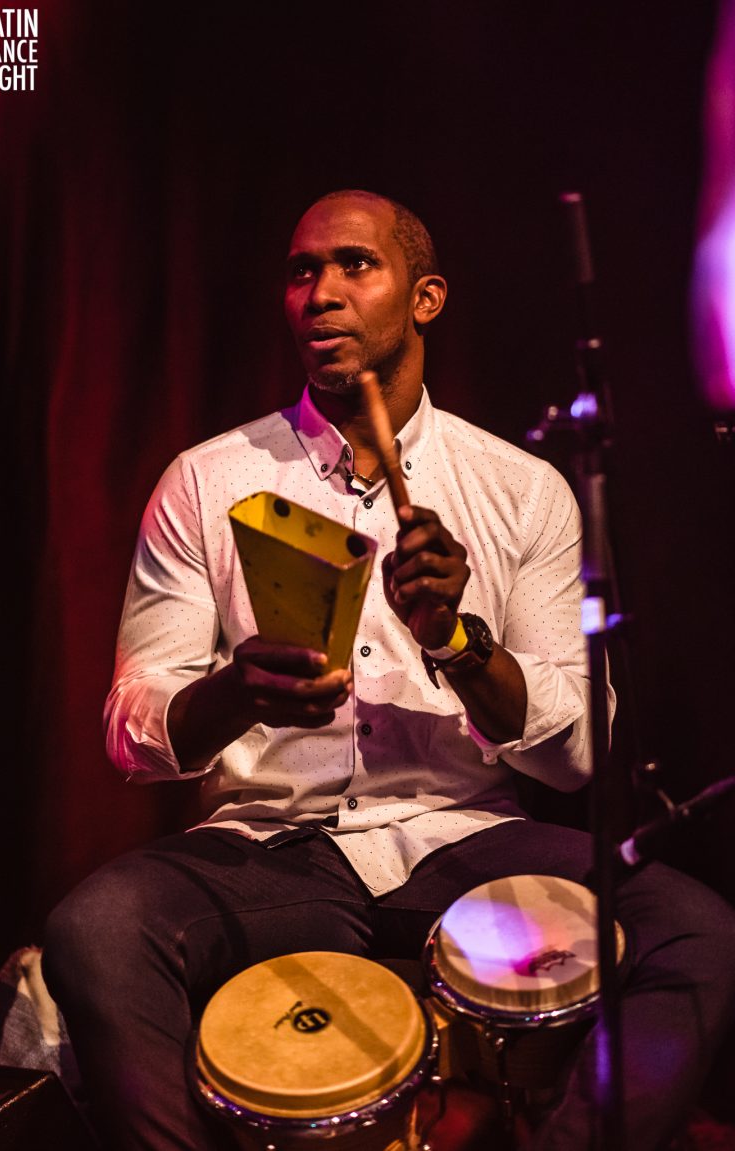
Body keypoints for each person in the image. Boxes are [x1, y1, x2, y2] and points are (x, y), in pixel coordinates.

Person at [43, 190, 735, 1151]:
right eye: (300, 271)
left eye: (354, 266)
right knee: (95, 932)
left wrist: (459, 640)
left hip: (467, 846)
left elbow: (580, 756)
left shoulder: (519, 489)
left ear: (427, 297)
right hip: (272, 852)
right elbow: (132, 727)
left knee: (693, 927)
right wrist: (234, 692)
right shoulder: (205, 480)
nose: (319, 293)